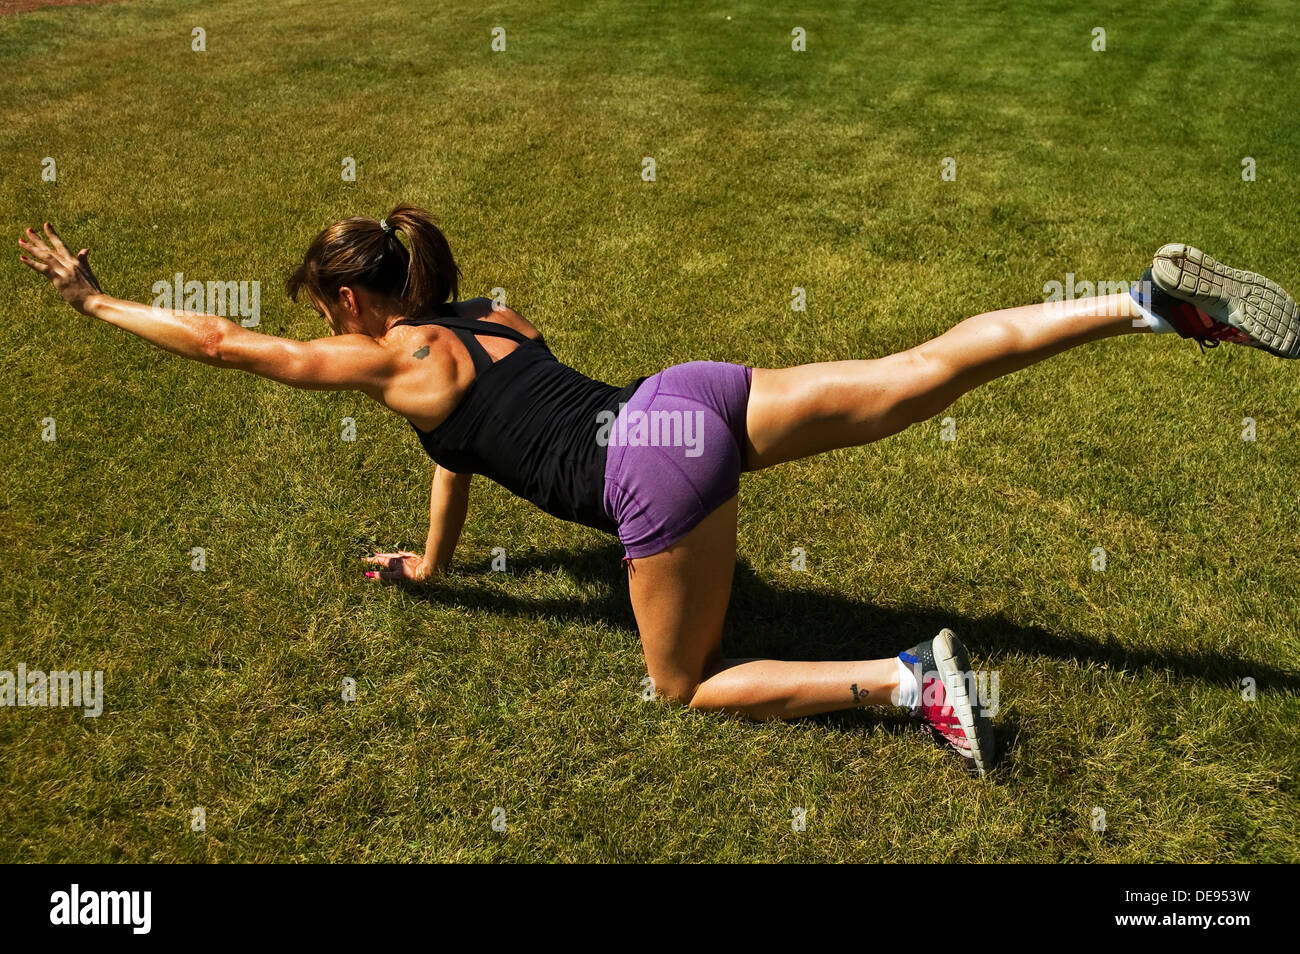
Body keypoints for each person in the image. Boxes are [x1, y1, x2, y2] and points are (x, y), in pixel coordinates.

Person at [20, 208, 1297, 777]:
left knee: (681, 687)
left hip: (646, 470)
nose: (318, 332)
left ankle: (913, 684)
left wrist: (92, 299)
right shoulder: (488, 317)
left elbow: (225, 346)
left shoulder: (392, 360)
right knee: (920, 373)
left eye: (323, 312)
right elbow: (461, 456)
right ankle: (1136, 304)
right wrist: (432, 568)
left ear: (352, 304)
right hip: (677, 395)